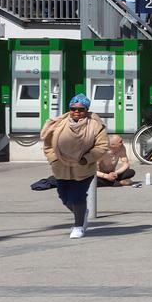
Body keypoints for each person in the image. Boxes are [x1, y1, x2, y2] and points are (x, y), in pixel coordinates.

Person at [40, 94, 113, 238]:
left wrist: (87, 159)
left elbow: (102, 145)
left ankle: (78, 226)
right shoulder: (58, 124)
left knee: (77, 196)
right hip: (61, 167)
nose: (76, 112)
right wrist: (53, 159)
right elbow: (48, 144)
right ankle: (82, 212)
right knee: (64, 197)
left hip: (83, 167)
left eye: (81, 109)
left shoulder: (95, 125)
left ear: (86, 110)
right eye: (73, 109)